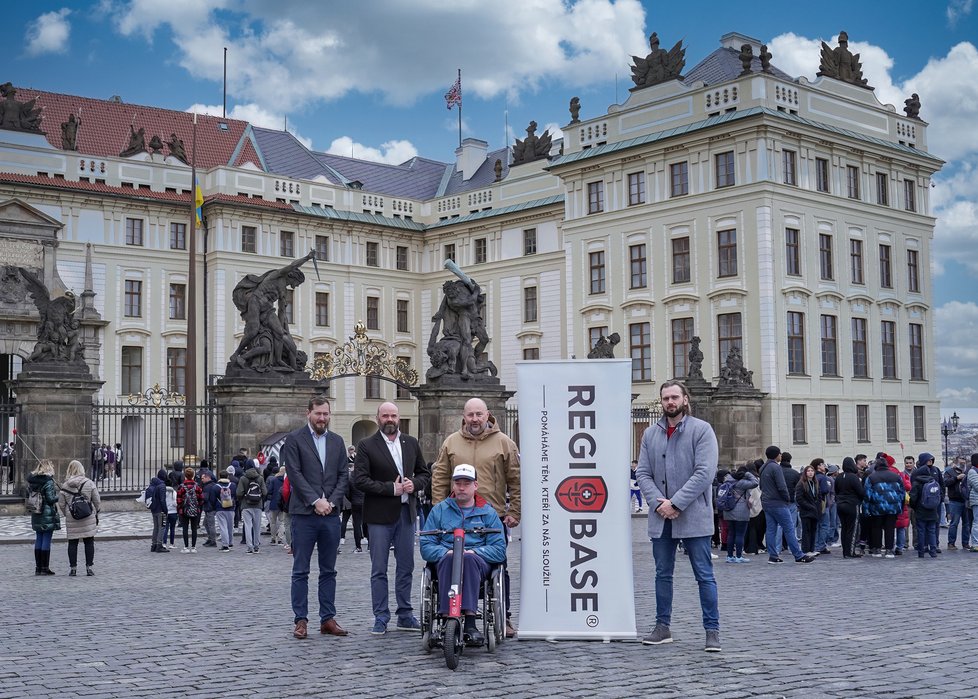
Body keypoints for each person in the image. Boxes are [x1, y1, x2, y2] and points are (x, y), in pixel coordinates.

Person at [635, 380, 721, 652]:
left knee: (704, 575)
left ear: (685, 399)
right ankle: (663, 627)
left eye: (674, 397)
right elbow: (642, 473)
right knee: (663, 574)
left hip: (694, 515)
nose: (670, 402)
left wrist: (676, 503)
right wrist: (657, 502)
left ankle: (712, 630)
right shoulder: (650, 433)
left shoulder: (702, 430)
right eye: (665, 398)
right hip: (661, 516)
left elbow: (704, 473)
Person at [431, 396, 521, 638]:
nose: (474, 419)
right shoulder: (451, 442)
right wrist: (440, 510)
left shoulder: (504, 443)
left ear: (487, 414)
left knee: (500, 567)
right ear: (464, 416)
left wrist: (515, 511)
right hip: (454, 515)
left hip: (493, 516)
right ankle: (449, 614)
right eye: (470, 415)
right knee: (450, 561)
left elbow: (515, 479)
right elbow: (440, 476)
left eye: (479, 414)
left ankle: (506, 616)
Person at [354, 401, 431, 634]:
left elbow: (424, 473)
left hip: (406, 515)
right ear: (378, 418)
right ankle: (381, 616)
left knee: (406, 566)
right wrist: (391, 488)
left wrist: (413, 484)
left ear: (399, 418)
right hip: (378, 516)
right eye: (385, 415)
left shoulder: (411, 443)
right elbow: (360, 480)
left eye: (394, 416)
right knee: (379, 569)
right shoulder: (367, 445)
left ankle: (405, 614)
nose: (390, 419)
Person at [281, 396, 349, 639]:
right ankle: (301, 620)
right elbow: (295, 474)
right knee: (301, 570)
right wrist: (315, 500)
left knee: (328, 570)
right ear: (308, 413)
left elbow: (343, 475)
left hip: (330, 514)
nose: (322, 418)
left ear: (330, 415)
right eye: (318, 413)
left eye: (325, 414)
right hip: (304, 514)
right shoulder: (295, 439)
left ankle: (327, 618)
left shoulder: (337, 441)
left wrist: (330, 502)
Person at [420, 463, 507, 646]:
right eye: (457, 483)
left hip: (477, 564)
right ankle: (445, 619)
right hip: (446, 562)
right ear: (452, 485)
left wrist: (474, 551)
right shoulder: (439, 510)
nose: (461, 487)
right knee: (451, 558)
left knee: (467, 558)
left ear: (475, 485)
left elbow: (499, 549)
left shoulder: (488, 513)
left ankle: (469, 623)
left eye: (466, 483)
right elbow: (426, 545)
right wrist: (446, 551)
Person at [759, 446, 816, 565]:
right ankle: (798, 555)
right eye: (779, 454)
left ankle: (773, 555)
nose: (781, 455)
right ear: (776, 455)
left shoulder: (763, 467)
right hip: (778, 503)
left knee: (771, 530)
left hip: (766, 502)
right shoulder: (776, 467)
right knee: (789, 528)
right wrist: (787, 498)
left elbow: (761, 486)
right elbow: (781, 485)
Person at [58, 459, 100, 576]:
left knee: (72, 543)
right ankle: (89, 568)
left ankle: (73, 568)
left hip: (72, 516)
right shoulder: (89, 483)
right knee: (89, 542)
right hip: (88, 515)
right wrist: (96, 511)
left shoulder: (65, 485)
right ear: (82, 469)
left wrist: (67, 513)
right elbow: (97, 500)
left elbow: (61, 503)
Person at [862, 453, 905, 557]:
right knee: (890, 528)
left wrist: (865, 509)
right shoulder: (896, 476)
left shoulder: (871, 477)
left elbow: (867, 495)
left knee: (876, 528)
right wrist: (900, 507)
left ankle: (877, 549)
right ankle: (889, 550)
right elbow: (902, 493)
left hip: (876, 507)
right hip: (893, 507)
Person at [27, 460, 60, 575]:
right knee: (46, 539)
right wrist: (59, 497)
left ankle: (38, 568)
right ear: (49, 468)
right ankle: (45, 568)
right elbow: (50, 499)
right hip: (46, 513)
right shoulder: (48, 481)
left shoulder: (31, 481)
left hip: (36, 512)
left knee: (39, 538)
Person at [720, 464, 758, 563]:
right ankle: (738, 556)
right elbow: (755, 482)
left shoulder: (728, 480)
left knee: (731, 534)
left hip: (728, 510)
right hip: (741, 511)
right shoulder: (742, 483)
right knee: (740, 534)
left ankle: (729, 556)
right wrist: (748, 474)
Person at [909, 452, 941, 558]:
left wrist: (914, 506)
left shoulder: (917, 483)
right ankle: (933, 550)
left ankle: (921, 551)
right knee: (932, 530)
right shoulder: (933, 481)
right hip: (932, 509)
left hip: (920, 509)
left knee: (921, 531)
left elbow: (913, 498)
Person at [834, 457, 865, 558]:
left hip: (840, 504)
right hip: (852, 504)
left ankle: (845, 551)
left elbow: (836, 490)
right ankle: (850, 552)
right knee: (852, 529)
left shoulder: (839, 476)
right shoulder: (854, 477)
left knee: (844, 528)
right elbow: (860, 492)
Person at [237, 459, 268, 554]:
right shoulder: (260, 478)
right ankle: (256, 546)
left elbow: (239, 492)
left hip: (246, 505)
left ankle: (249, 547)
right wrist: (260, 498)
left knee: (247, 526)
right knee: (257, 527)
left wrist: (242, 498)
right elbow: (265, 492)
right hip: (258, 505)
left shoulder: (243, 478)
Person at [944, 456, 970, 550]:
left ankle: (966, 543)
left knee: (966, 524)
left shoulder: (968, 471)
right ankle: (951, 543)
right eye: (961, 460)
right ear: (956, 461)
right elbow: (945, 483)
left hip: (966, 500)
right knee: (954, 523)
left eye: (964, 460)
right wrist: (956, 478)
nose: (963, 462)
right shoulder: (949, 472)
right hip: (955, 500)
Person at [795, 464, 822, 555]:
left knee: (813, 530)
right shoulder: (801, 484)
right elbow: (799, 498)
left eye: (812, 471)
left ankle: (811, 549)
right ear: (805, 473)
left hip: (815, 511)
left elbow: (819, 496)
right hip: (806, 511)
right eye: (808, 471)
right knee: (806, 531)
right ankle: (806, 550)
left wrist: (818, 507)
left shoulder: (815, 483)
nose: (810, 473)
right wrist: (809, 506)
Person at [177, 466, 203, 553]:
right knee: (194, 528)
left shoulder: (181, 486)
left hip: (184, 510)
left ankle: (186, 547)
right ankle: (194, 547)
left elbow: (178, 499)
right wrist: (197, 506)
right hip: (195, 509)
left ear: (185, 475)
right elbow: (201, 498)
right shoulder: (197, 486)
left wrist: (180, 507)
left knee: (185, 528)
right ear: (193, 475)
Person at [213, 469, 236, 551]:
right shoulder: (232, 485)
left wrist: (214, 507)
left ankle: (225, 544)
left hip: (220, 508)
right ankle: (230, 543)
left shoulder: (216, 486)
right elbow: (235, 496)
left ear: (219, 476)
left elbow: (212, 499)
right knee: (230, 527)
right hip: (230, 508)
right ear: (227, 476)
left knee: (223, 527)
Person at [266, 465, 287, 545]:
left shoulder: (274, 480)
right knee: (282, 522)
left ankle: (273, 538)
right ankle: (280, 538)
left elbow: (269, 491)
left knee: (273, 522)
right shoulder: (286, 480)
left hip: (274, 503)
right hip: (283, 504)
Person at [199, 468, 219, 547]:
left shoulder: (207, 487)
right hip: (212, 507)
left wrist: (200, 497)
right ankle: (210, 538)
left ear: (208, 477)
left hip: (210, 507)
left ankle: (213, 540)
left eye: (203, 478)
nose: (202, 480)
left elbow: (205, 498)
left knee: (210, 525)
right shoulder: (213, 485)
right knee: (206, 523)